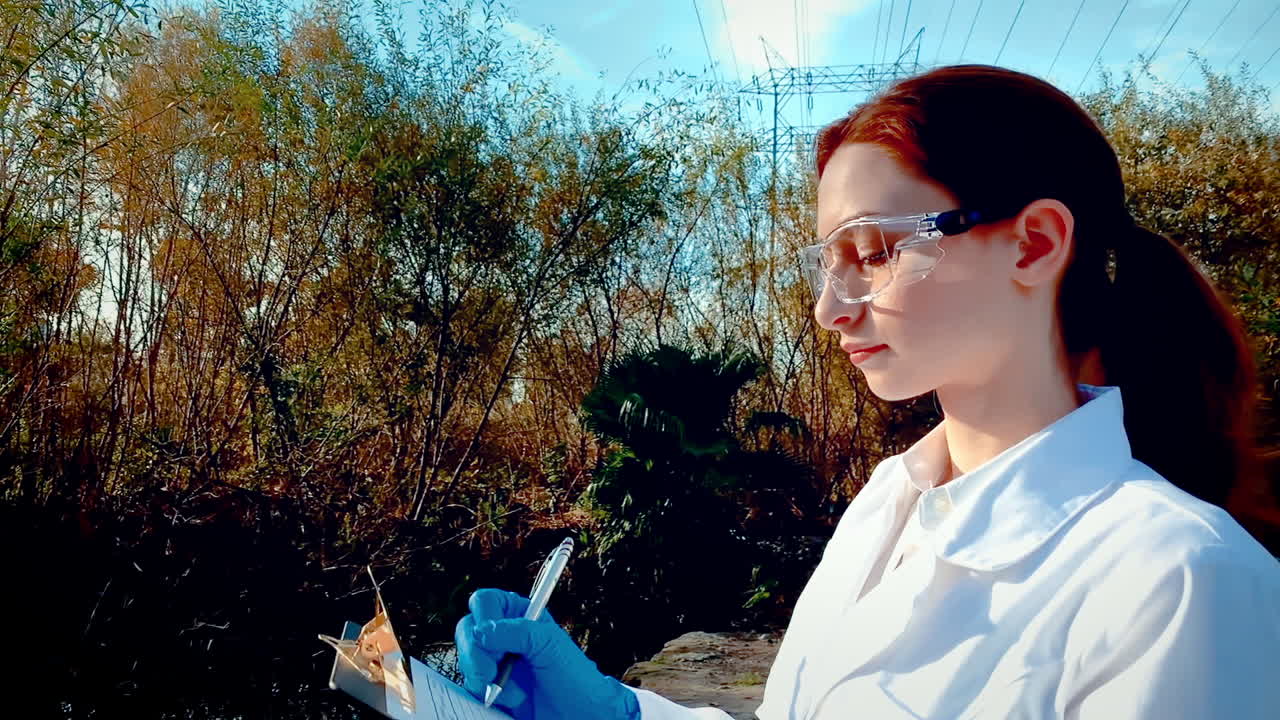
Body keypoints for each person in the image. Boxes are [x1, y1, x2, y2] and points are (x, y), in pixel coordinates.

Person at [453, 65, 1280, 719]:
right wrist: (623, 713)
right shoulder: (889, 503)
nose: (829, 309)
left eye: (876, 251)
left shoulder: (1180, 583)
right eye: (828, 262)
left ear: (1034, 244)